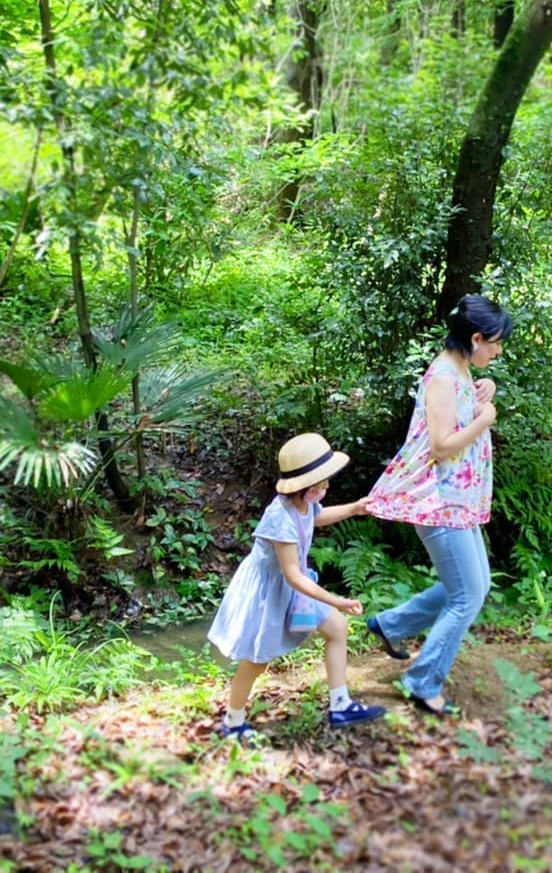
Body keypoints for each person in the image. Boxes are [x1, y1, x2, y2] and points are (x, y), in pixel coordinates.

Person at [362, 294, 511, 717]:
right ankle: (422, 680)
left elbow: (468, 400)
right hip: (439, 504)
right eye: (495, 343)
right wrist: (485, 419)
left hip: (458, 502)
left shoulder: (461, 369)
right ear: (476, 337)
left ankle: (391, 625)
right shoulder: (443, 377)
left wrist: (488, 390)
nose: (498, 351)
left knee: (471, 586)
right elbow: (443, 446)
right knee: (468, 596)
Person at [207, 432, 387, 742]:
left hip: (292, 584)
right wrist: (337, 599)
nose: (326, 487)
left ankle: (340, 704)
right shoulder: (279, 517)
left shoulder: (306, 504)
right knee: (257, 662)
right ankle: (233, 722)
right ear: (303, 486)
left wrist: (354, 508)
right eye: (321, 482)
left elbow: (317, 518)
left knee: (336, 627)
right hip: (268, 592)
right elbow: (293, 576)